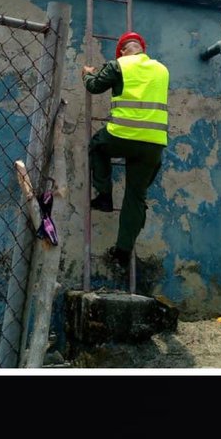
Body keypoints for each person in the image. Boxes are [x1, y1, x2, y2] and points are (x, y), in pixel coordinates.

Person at [82, 32, 170, 269]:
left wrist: (87, 75)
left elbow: (95, 87)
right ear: (143, 48)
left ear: (121, 50)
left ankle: (104, 196)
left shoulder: (118, 64)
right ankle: (123, 251)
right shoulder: (162, 69)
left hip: (121, 136)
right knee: (136, 196)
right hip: (153, 143)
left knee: (97, 146)